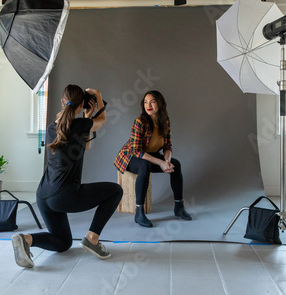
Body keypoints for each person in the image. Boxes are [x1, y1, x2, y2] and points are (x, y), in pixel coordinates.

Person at [12, 85, 123, 268]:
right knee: (115, 190)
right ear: (81, 105)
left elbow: (85, 146)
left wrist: (87, 117)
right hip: (64, 196)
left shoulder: (51, 128)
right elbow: (102, 119)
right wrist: (98, 95)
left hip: (43, 196)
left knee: (63, 242)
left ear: (63, 102)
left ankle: (26, 239)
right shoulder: (79, 125)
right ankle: (92, 238)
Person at [114, 90, 191, 227]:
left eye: (152, 101)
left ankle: (179, 207)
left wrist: (166, 162)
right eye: (145, 102)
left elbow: (168, 146)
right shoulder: (140, 122)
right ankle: (139, 212)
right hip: (130, 156)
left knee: (176, 164)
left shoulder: (165, 122)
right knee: (145, 166)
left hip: (150, 155)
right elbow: (137, 151)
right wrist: (160, 162)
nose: (148, 105)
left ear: (160, 104)